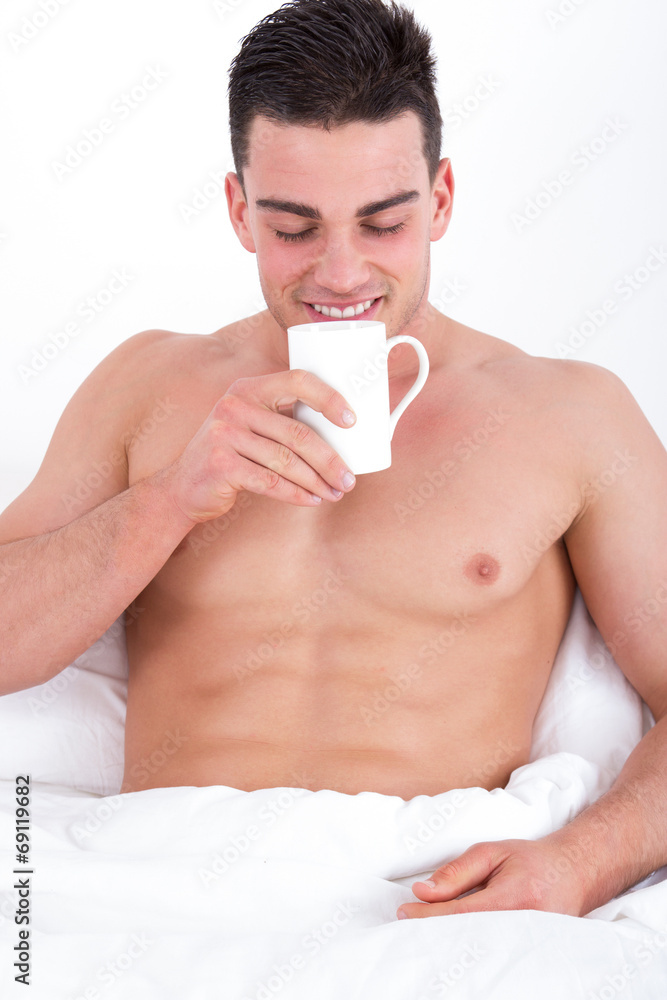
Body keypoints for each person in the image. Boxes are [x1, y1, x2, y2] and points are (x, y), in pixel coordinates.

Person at [1, 0, 666, 923]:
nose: (341, 274)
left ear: (439, 199)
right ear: (239, 211)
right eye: (294, 228)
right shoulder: (146, 383)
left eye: (383, 223)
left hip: (426, 906)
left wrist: (581, 864)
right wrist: (166, 502)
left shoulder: (570, 414)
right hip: (152, 898)